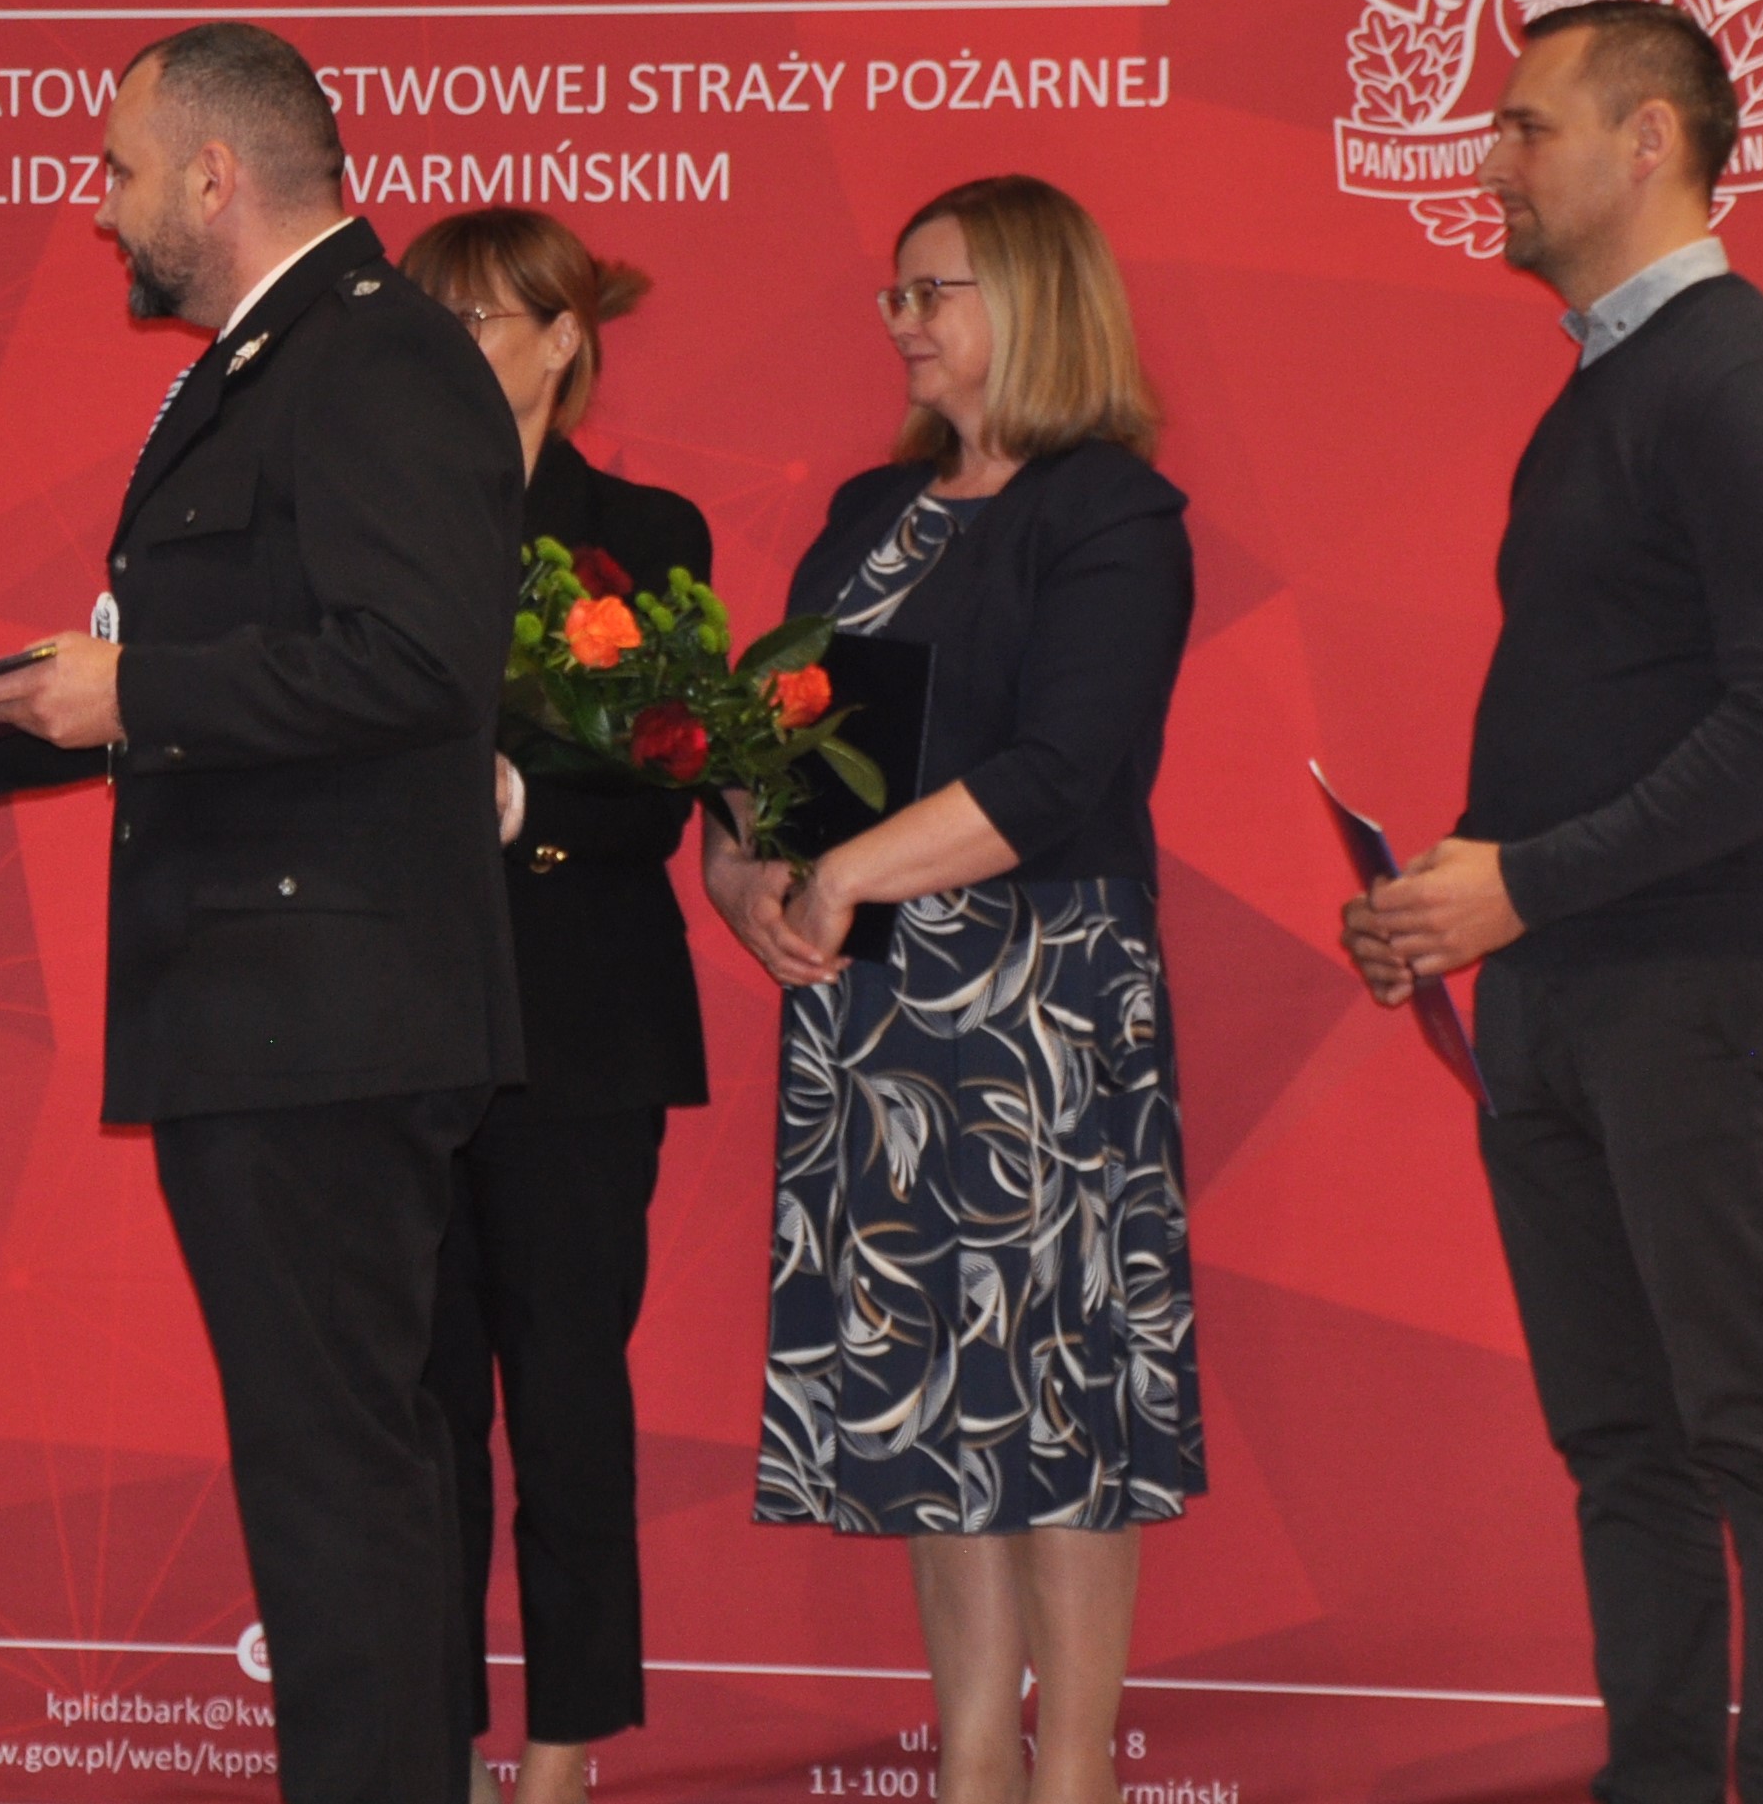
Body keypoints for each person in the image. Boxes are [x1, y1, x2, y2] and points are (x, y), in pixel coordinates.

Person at [0, 21, 524, 1804]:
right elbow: (250, 662)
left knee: (339, 1483)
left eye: (116, 171)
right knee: (338, 1474)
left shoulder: (376, 353)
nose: (98, 209)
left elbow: (416, 662)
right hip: (277, 1004)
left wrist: (137, 691)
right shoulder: (280, 359)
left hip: (324, 1012)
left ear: (212, 172)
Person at [1342, 0, 1763, 1804]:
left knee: (1756, 1434)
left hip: (1694, 987)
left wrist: (1521, 882)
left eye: (1524, 127)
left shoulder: (1745, 384)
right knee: (1622, 1443)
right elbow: (1614, 710)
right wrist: (1446, 890)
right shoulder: (1603, 391)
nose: (1488, 157)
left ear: (1649, 141)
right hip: (1560, 990)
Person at [708, 176, 1198, 1804]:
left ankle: (1073, 1775)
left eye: (936, 292)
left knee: (1056, 1401)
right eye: (895, 295)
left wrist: (846, 874)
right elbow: (776, 735)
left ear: (1038, 301)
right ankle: (972, 1762)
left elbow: (1059, 771)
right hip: (875, 1021)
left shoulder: (1108, 512)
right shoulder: (869, 509)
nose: (903, 322)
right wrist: (744, 863)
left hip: (1036, 1009)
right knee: (937, 1401)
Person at [398, 209, 706, 1804]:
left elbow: (672, 778)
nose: (445, 350)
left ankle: (564, 1744)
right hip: (397, 1022)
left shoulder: (641, 532)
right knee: (421, 1406)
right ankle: (436, 1745)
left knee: (569, 1393)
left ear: (563, 338)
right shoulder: (371, 519)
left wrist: (518, 800)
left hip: (582, 1022)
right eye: (424, 321)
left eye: (476, 320)